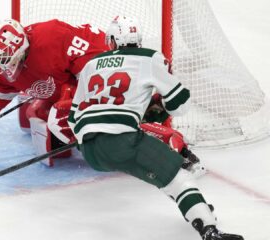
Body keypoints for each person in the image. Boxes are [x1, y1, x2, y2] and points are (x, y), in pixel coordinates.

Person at [67, 16, 243, 240]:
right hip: (124, 142)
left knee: (159, 173)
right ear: (137, 40)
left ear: (111, 41)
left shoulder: (91, 65)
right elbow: (181, 103)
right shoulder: (149, 58)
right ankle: (209, 230)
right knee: (179, 178)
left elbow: (73, 118)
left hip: (90, 150)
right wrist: (161, 106)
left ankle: (194, 207)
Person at [0, 18, 110, 164]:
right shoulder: (5, 66)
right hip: (60, 89)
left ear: (22, 48)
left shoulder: (53, 36)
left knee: (70, 124)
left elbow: (99, 66)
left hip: (102, 80)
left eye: (10, 60)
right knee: (39, 119)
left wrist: (79, 105)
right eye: (1, 61)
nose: (7, 67)